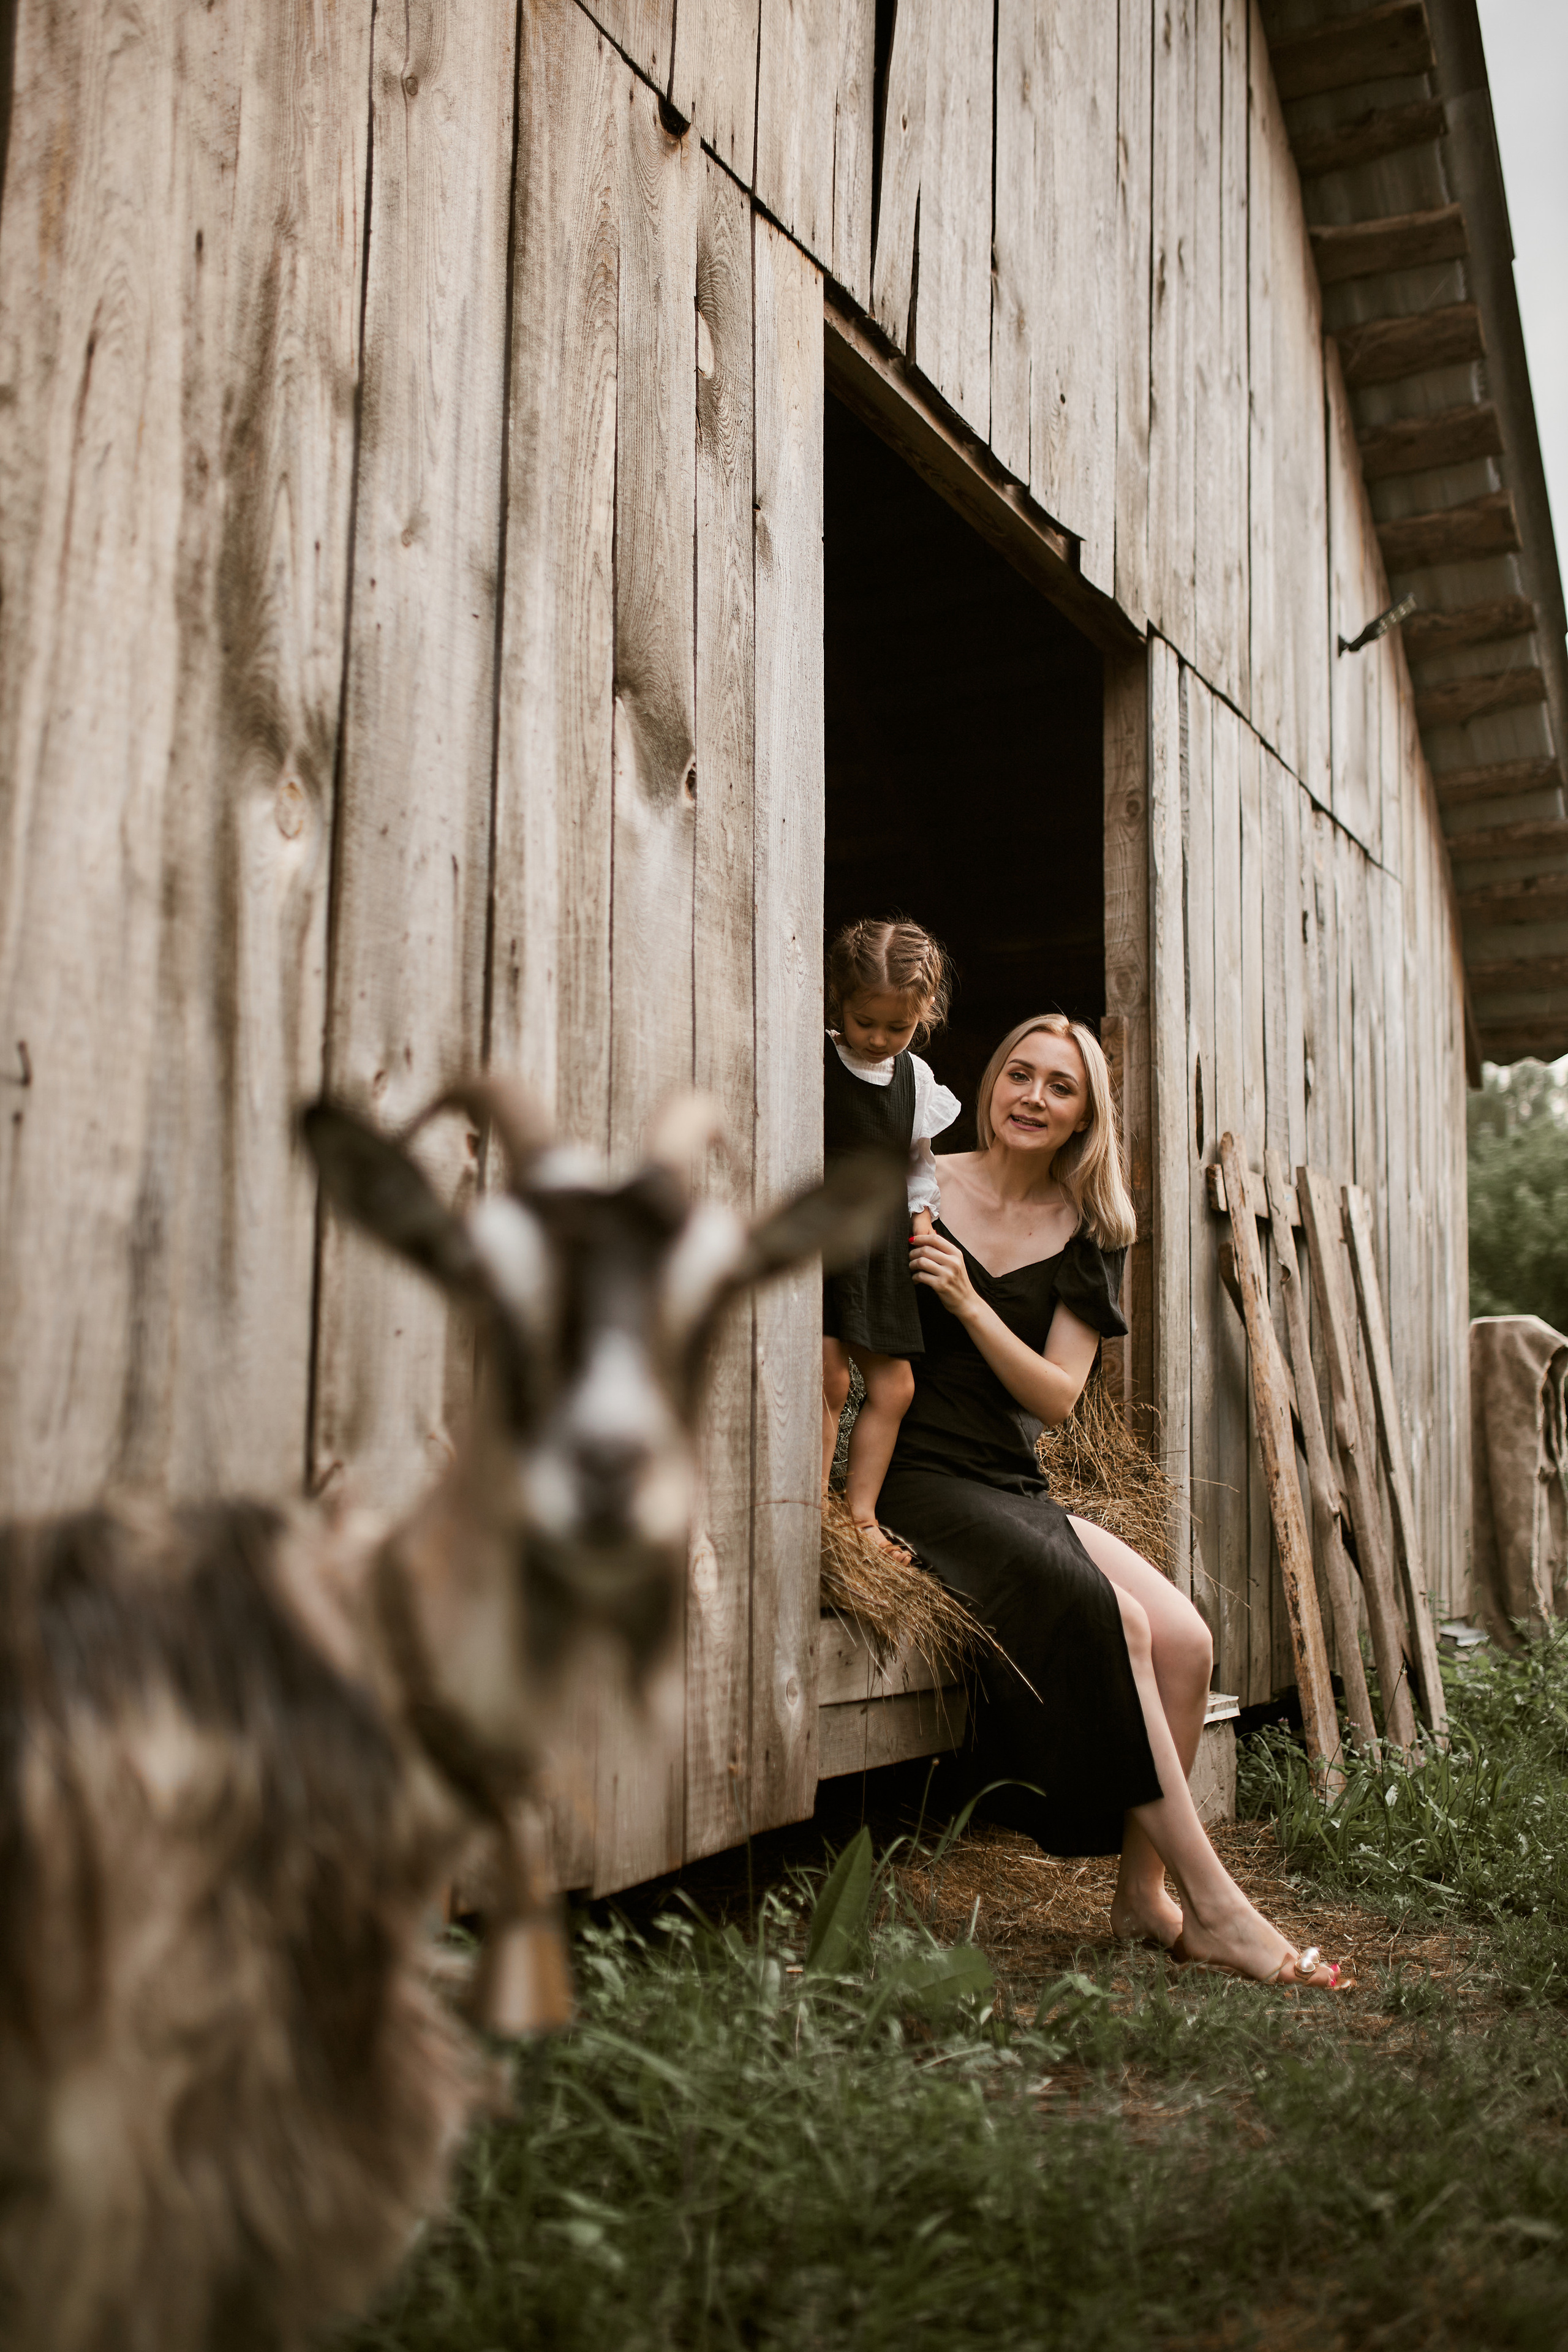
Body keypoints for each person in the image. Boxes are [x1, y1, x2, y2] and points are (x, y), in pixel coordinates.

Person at [880, 1012, 1348, 1989]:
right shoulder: (920, 1184)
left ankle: (1142, 1896)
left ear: (1085, 1116)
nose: (1033, 1098)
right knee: (1122, 1621)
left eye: (1061, 1087)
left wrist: (967, 1300)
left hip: (1010, 1478)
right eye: (1021, 1074)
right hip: (921, 1479)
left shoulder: (1086, 1232)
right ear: (993, 1080)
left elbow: (1054, 1399)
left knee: (1187, 1639)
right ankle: (1218, 1905)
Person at [821, 918, 960, 1561]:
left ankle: (861, 1517)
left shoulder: (917, 1082)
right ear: (838, 1002)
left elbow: (916, 1165)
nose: (876, 1039)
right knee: (828, 1380)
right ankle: (813, 1509)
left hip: (880, 1246)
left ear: (922, 1016)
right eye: (863, 1022)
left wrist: (922, 1219)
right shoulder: (815, 1058)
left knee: (895, 1387)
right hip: (823, 1238)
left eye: (895, 1028)